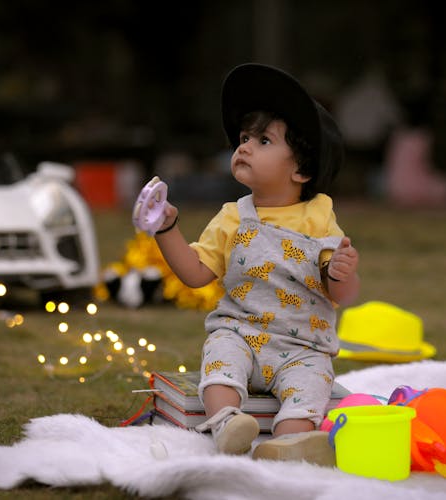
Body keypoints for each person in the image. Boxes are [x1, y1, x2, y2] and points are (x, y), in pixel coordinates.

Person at [147, 63, 360, 465]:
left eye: (263, 141)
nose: (243, 146)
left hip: (302, 346)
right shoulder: (232, 216)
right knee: (220, 362)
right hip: (240, 331)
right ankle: (228, 422)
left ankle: (288, 441)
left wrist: (341, 272)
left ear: (302, 170)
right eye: (244, 138)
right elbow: (194, 274)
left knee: (310, 388)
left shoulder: (318, 217)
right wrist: (167, 228)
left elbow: (342, 293)